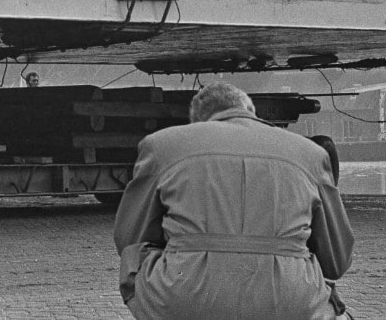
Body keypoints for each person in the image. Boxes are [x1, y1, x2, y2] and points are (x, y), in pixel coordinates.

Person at [113, 82, 354, 320]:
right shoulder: (311, 154)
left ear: (199, 121)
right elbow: (336, 260)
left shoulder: (162, 145)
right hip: (290, 302)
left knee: (134, 259)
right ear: (249, 110)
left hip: (184, 298)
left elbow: (130, 238)